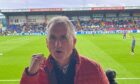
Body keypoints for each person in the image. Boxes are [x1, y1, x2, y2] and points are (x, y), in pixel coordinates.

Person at [20, 16, 109, 84]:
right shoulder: (36, 72)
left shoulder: (94, 69)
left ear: (74, 42)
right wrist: (31, 75)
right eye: (52, 38)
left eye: (64, 38)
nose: (57, 44)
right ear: (47, 43)